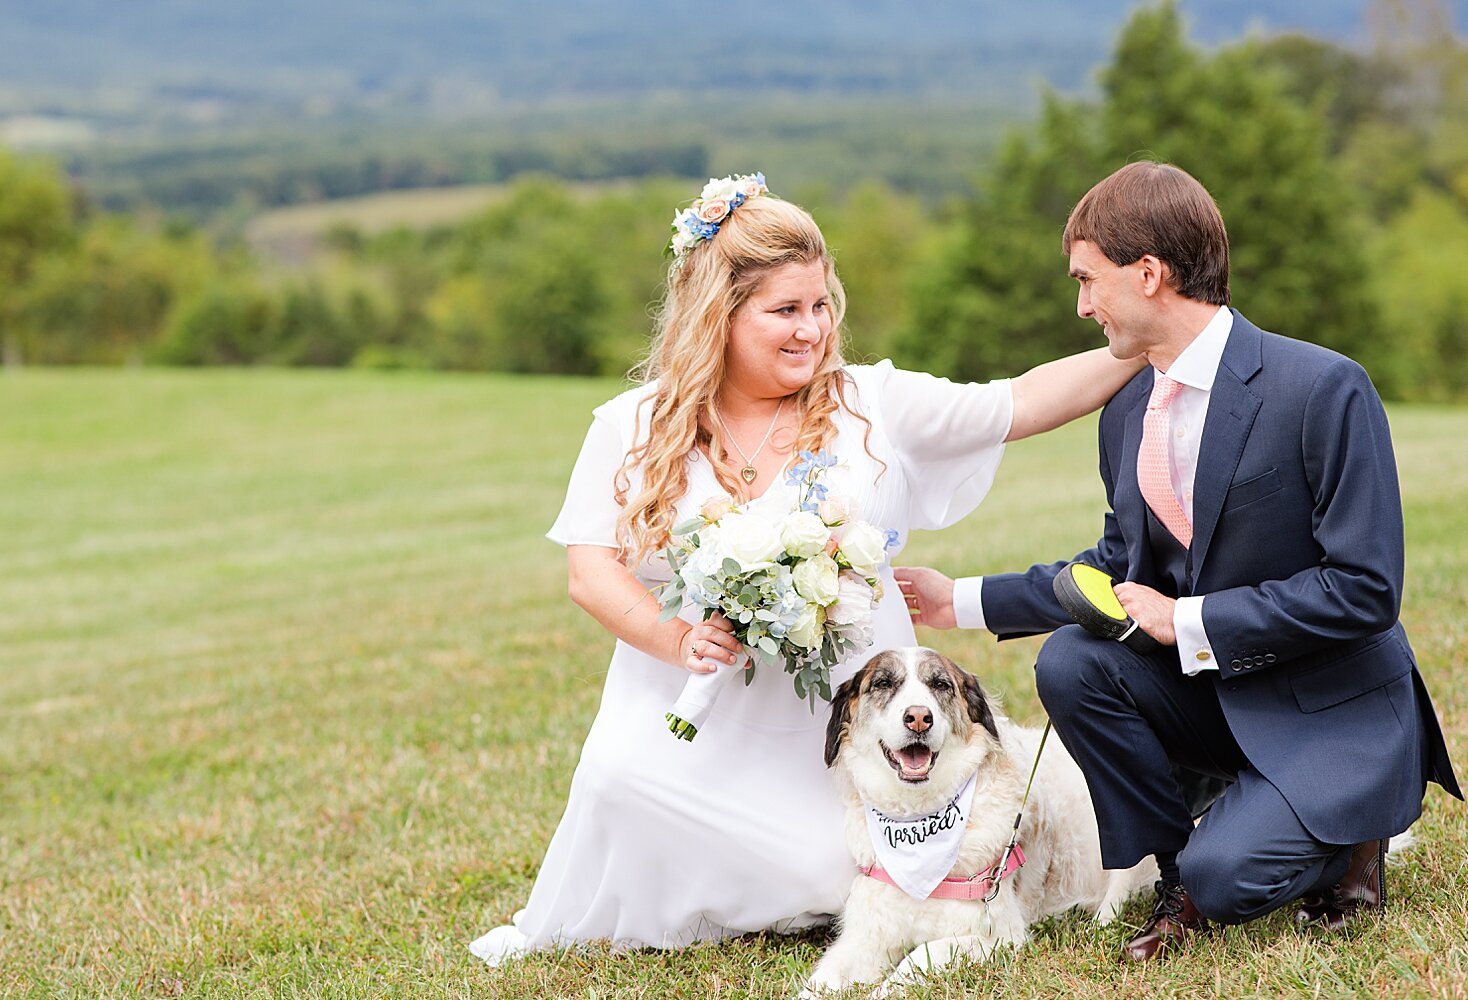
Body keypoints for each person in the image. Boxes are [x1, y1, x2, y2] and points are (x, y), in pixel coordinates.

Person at [468, 174, 1144, 963]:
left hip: (847, 718)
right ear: (717, 315)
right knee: (618, 787)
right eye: (785, 311)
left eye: (821, 306)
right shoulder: (632, 425)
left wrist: (1147, 343)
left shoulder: (870, 404)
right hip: (693, 700)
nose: (813, 330)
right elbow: (591, 572)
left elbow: (1019, 402)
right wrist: (676, 637)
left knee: (858, 863)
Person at [896, 160, 1462, 962]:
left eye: (1089, 280)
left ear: (1150, 274)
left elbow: (1366, 590)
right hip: (1221, 701)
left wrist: (1188, 619)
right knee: (1074, 664)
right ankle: (1177, 874)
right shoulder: (1126, 408)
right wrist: (959, 599)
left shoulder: (1325, 388)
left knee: (1234, 882)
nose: (1082, 304)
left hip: (1333, 710)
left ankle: (1350, 838)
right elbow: (1119, 563)